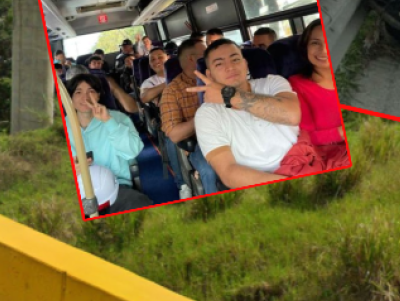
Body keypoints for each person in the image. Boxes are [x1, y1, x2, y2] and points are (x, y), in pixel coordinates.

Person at [187, 39, 300, 189]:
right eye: (219, 64)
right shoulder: (207, 114)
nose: (230, 67)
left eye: (235, 59)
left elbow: (291, 115)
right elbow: (228, 172)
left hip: (301, 164)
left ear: (245, 64)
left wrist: (229, 96)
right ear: (209, 74)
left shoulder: (272, 83)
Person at [66, 73, 152, 214]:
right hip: (77, 192)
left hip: (117, 186)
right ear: (71, 98)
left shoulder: (118, 118)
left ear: (99, 95)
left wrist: (109, 122)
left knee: (139, 205)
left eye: (91, 91)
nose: (85, 97)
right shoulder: (62, 128)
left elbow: (132, 151)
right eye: (78, 92)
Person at [276, 19, 349, 175]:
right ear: (305, 47)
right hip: (330, 156)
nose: (323, 50)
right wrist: (342, 132)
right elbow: (306, 136)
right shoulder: (297, 85)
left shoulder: (353, 74)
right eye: (315, 43)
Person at [158, 38, 220, 195]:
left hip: (233, 133)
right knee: (208, 170)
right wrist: (204, 113)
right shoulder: (172, 91)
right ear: (193, 59)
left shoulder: (219, 78)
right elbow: (174, 135)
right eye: (206, 53)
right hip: (201, 142)